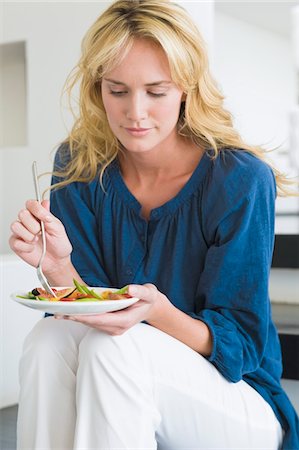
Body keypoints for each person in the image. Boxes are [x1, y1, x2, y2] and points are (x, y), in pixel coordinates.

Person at [9, 1, 299, 449]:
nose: (135, 113)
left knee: (117, 347)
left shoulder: (239, 180)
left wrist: (159, 314)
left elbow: (239, 347)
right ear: (97, 88)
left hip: (240, 400)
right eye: (117, 91)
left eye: (156, 91)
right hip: (122, 373)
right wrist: (60, 269)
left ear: (186, 88)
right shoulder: (79, 166)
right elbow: (88, 317)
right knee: (49, 340)